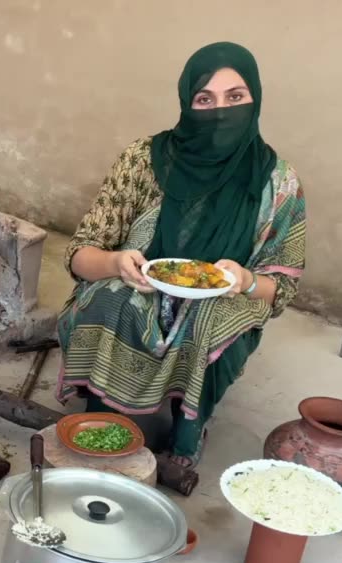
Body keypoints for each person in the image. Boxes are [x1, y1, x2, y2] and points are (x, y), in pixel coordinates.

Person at [56, 41, 306, 493]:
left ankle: (188, 431)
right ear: (186, 103)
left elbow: (281, 287)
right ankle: (103, 415)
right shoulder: (144, 160)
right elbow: (79, 254)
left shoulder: (277, 181)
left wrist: (246, 280)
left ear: (256, 100)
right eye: (204, 99)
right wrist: (114, 262)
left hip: (225, 296)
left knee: (206, 320)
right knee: (112, 299)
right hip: (141, 277)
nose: (220, 110)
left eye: (235, 97)